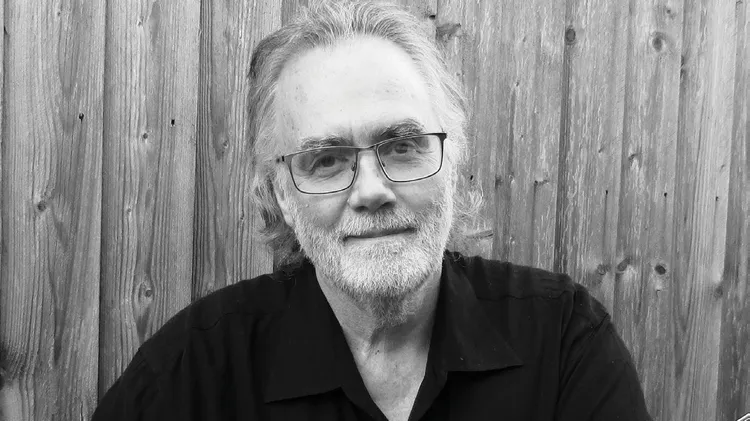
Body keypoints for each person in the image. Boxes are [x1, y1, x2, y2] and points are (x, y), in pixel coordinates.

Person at [93, 1, 653, 420]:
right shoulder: (191, 373)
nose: (371, 190)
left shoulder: (564, 344)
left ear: (452, 159)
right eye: (326, 160)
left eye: (402, 146)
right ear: (281, 194)